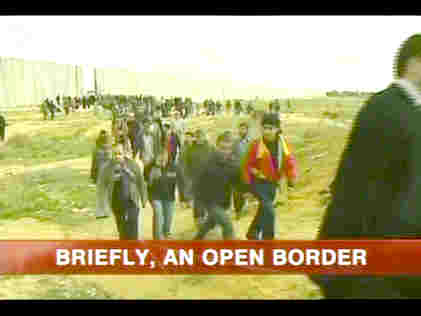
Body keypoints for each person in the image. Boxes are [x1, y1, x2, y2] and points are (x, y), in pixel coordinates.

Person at [310, 34, 421, 299]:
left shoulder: (398, 109)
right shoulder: (392, 111)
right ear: (415, 63)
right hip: (372, 274)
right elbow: (363, 195)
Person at [242, 112, 298, 240]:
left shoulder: (283, 145)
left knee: (264, 209)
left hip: (272, 184)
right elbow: (246, 166)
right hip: (257, 183)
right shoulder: (256, 145)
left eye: (270, 128)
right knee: (270, 211)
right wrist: (246, 187)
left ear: (277, 129)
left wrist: (291, 182)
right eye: (264, 128)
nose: (266, 131)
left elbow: (290, 163)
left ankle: (252, 232)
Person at [193, 131, 247, 240]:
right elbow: (198, 187)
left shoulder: (233, 164)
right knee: (227, 224)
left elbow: (239, 184)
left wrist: (246, 192)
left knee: (210, 223)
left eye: (228, 149)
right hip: (209, 201)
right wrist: (198, 211)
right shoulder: (207, 163)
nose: (225, 152)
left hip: (223, 202)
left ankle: (197, 240)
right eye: (222, 148)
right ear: (216, 146)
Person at [96, 145, 147, 240]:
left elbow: (140, 181)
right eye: (115, 154)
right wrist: (102, 206)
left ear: (124, 153)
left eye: (119, 153)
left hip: (132, 200)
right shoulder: (107, 167)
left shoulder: (132, 164)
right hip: (116, 202)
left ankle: (133, 248)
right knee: (122, 229)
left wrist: (144, 198)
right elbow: (101, 185)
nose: (117, 156)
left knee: (133, 225)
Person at [144, 149, 177, 240]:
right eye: (160, 158)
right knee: (158, 214)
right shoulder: (150, 167)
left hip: (169, 196)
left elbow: (179, 180)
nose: (162, 160)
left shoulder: (173, 167)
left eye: (165, 158)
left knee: (168, 217)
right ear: (156, 157)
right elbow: (146, 181)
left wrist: (184, 196)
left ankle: (166, 233)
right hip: (155, 196)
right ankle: (158, 238)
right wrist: (154, 168)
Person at [232, 121, 252, 219]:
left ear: (247, 130)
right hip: (237, 171)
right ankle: (238, 211)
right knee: (236, 192)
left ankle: (246, 206)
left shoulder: (251, 142)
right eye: (240, 129)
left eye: (244, 129)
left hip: (249, 171)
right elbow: (231, 156)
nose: (242, 131)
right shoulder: (235, 143)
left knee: (247, 191)